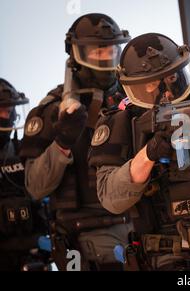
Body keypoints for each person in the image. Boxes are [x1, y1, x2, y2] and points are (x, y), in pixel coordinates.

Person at [88, 33, 190, 271]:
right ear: (132, 88)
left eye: (172, 78)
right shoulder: (122, 123)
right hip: (169, 254)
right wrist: (149, 154)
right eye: (151, 85)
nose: (165, 91)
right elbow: (111, 199)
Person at [19, 13, 132, 271]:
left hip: (139, 225)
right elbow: (35, 188)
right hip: (84, 233)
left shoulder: (133, 98)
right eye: (97, 52)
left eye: (111, 50)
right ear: (78, 54)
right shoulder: (50, 112)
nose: (106, 58)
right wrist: (62, 142)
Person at [0, 79, 50, 271]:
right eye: (3, 110)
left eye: (11, 110)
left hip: (35, 259)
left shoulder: (23, 152)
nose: (9, 116)